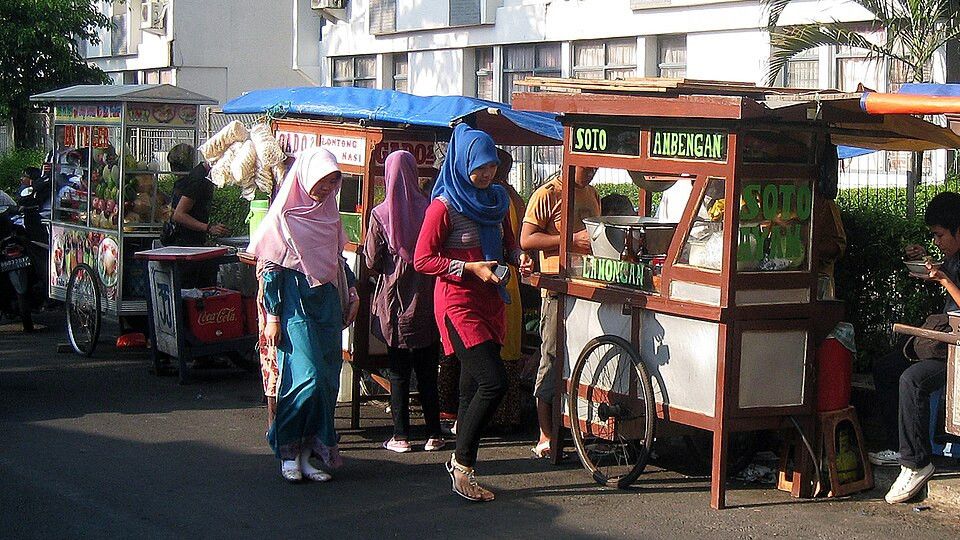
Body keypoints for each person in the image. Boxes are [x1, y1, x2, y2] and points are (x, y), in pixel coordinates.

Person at [414, 124, 532, 502]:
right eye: (479, 167)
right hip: (458, 304)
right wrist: (468, 268)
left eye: (492, 166)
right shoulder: (444, 205)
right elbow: (422, 259)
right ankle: (461, 464)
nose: (487, 174)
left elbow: (509, 246)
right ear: (462, 164)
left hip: (491, 301)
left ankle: (463, 467)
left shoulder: (498, 200)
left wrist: (521, 260)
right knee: (493, 382)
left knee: (470, 388)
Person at [248, 147, 361, 483]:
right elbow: (270, 267)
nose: (325, 190)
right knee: (306, 378)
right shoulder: (283, 217)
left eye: (332, 182)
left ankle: (307, 455)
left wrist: (351, 294)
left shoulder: (329, 216)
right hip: (294, 303)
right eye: (321, 182)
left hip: (326, 303)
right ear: (306, 177)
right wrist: (273, 316)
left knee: (326, 382)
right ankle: (286, 449)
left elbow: (338, 261)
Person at [870, 191, 960, 504]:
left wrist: (943, 280)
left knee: (913, 379)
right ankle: (901, 448)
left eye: (940, 235)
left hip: (956, 353)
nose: (938, 242)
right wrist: (928, 264)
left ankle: (917, 463)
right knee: (887, 367)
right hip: (947, 343)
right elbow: (947, 269)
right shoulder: (953, 257)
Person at [365, 150, 443, 453]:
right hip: (426, 297)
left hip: (395, 302)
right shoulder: (429, 209)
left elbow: (372, 259)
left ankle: (400, 436)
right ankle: (434, 433)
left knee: (398, 371)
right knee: (427, 370)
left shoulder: (380, 214)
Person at [520, 166, 600, 458]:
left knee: (579, 357)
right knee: (551, 357)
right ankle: (544, 434)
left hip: (586, 286)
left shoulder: (592, 194)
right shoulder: (548, 193)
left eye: (595, 167)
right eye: (587, 166)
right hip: (555, 289)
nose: (592, 171)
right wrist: (568, 239)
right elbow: (526, 239)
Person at [167, 143, 228, 288]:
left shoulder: (196, 178)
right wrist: (208, 228)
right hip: (186, 248)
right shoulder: (198, 179)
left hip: (190, 245)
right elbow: (179, 215)